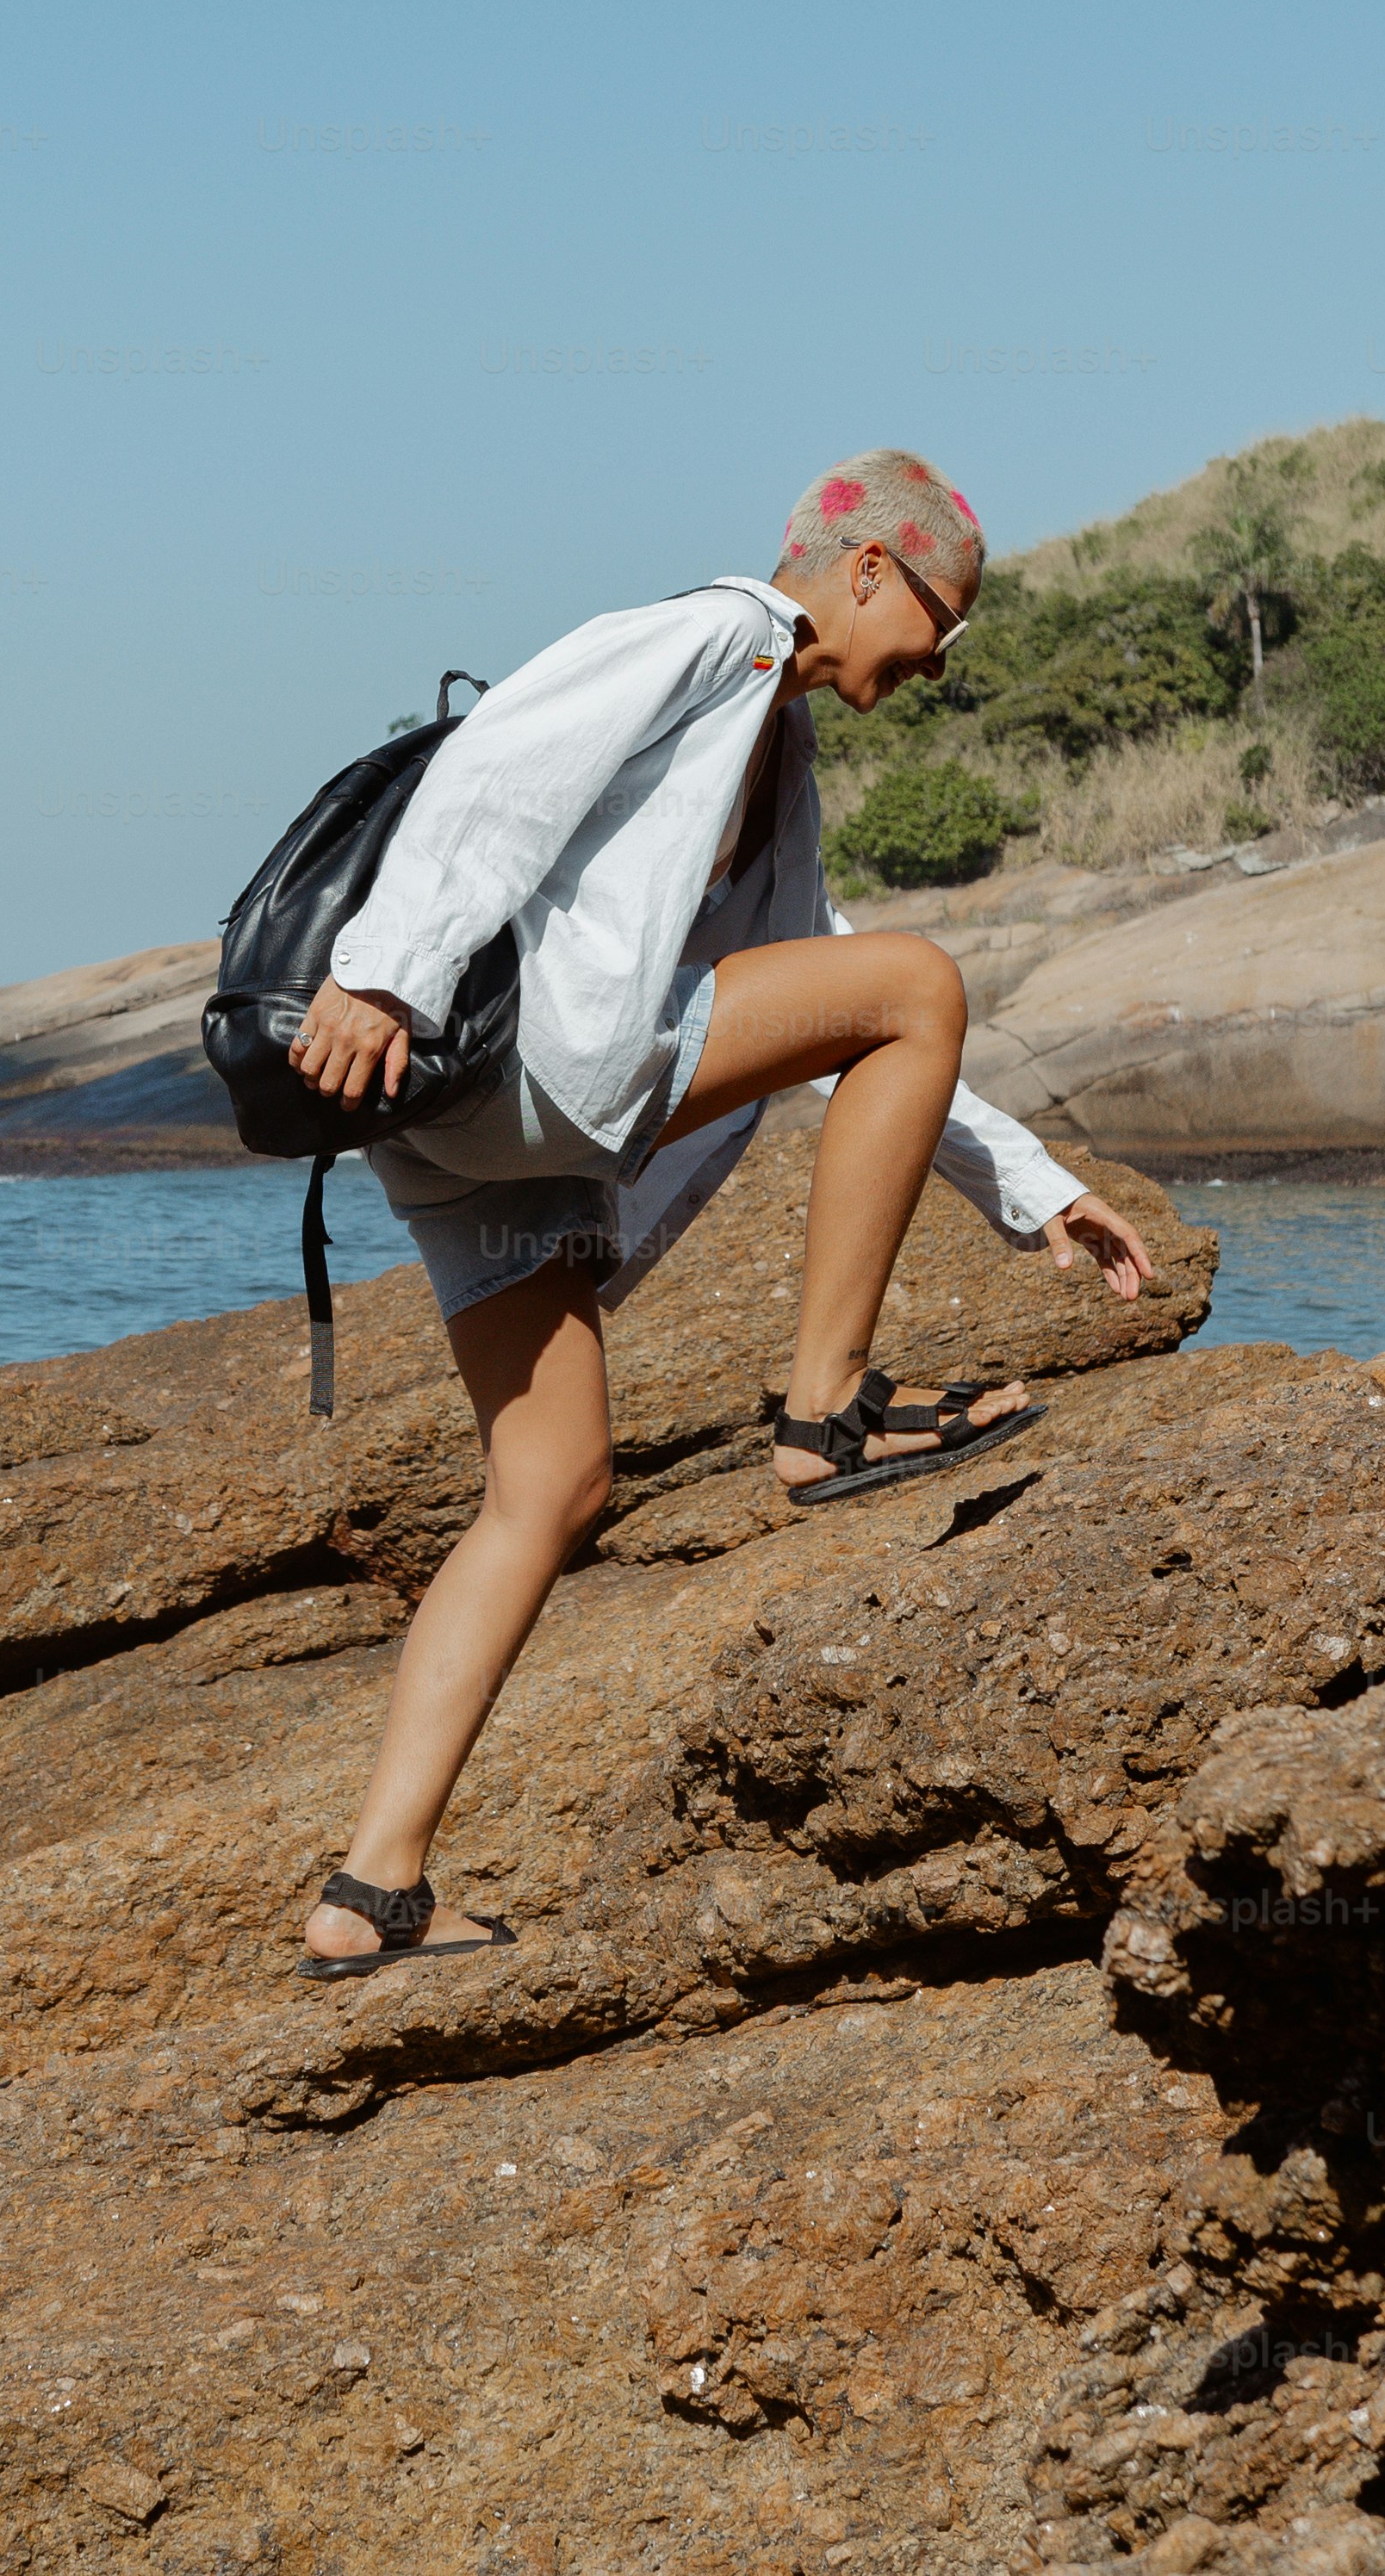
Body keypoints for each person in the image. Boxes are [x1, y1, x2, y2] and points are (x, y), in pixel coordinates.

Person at [283, 449, 1153, 1977]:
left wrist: (1040, 1193)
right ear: (869, 564)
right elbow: (504, 764)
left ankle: (373, 1887)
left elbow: (819, 1003)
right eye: (941, 620)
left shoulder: (779, 737)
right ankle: (824, 1412)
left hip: (474, 1140)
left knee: (546, 1484)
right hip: (523, 1059)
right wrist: (383, 971)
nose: (940, 658)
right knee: (920, 978)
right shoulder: (716, 634)